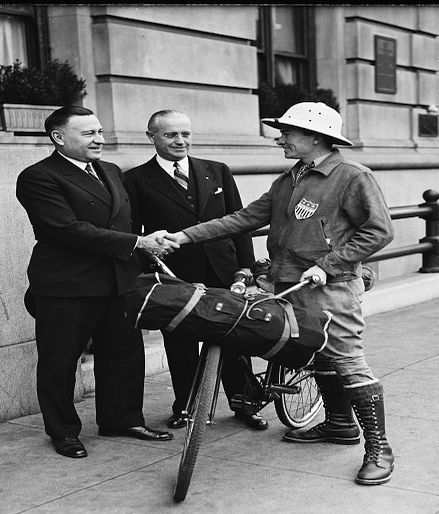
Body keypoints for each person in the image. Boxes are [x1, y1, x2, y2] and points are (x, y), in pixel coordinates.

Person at [164, 102, 396, 485]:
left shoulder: (352, 176)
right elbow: (245, 218)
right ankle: (339, 425)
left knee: (348, 361)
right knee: (313, 351)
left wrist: (330, 264)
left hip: (329, 288)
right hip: (286, 282)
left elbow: (379, 231)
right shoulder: (292, 177)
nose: (280, 138)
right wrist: (184, 237)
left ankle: (380, 449)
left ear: (315, 137)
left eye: (288, 132)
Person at [16, 105, 178, 459]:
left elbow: (122, 223)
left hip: (118, 281)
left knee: (124, 354)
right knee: (59, 362)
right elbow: (66, 229)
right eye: (89, 134)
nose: (100, 139)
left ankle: (122, 419)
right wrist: (136, 243)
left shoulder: (111, 170)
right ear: (59, 138)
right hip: (66, 286)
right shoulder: (38, 177)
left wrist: (145, 250)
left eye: (100, 131)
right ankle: (63, 431)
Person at [125, 110, 266, 431]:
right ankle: (186, 407)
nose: (180, 141)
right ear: (152, 137)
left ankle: (245, 404)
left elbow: (241, 224)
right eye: (171, 135)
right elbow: (137, 234)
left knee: (235, 338)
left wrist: (246, 268)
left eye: (185, 134)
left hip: (225, 271)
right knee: (180, 344)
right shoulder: (135, 180)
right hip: (174, 276)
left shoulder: (217, 171)